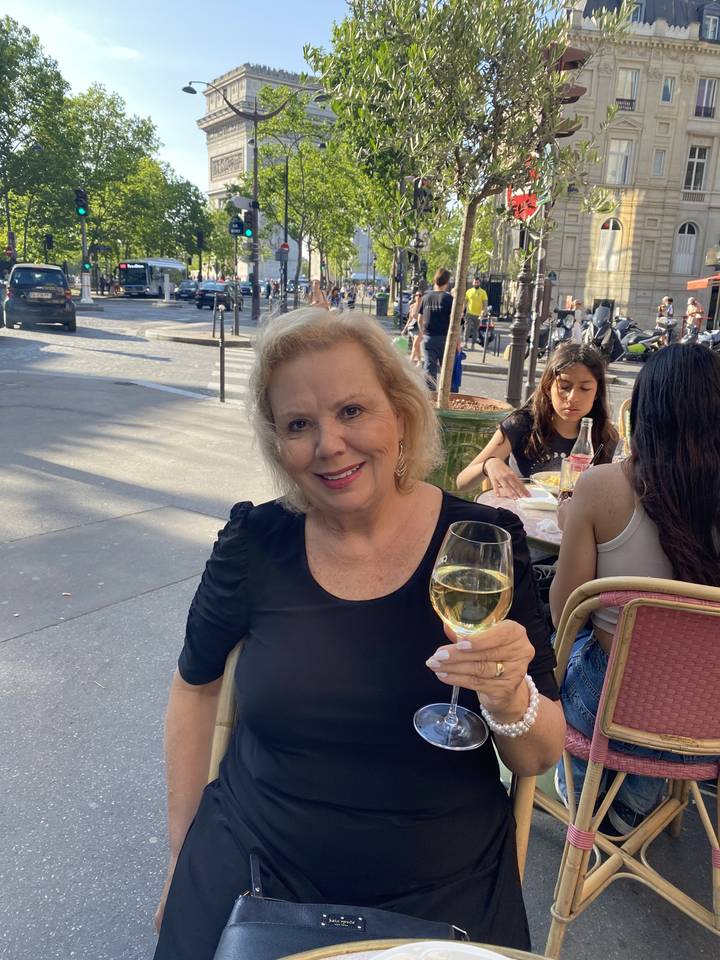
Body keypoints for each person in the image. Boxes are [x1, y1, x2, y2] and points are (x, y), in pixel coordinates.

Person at [153, 308, 565, 959]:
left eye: (352, 411)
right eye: (299, 425)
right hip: (255, 870)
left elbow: (538, 757)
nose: (329, 444)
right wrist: (182, 855)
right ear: (277, 444)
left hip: (440, 890)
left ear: (399, 415)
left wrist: (509, 698)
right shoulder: (255, 543)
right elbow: (194, 688)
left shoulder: (482, 546)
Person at [549, 343, 720, 834]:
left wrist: (575, 518)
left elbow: (566, 612)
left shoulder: (601, 487)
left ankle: (583, 785)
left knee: (575, 640)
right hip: (708, 715)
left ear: (644, 412)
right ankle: (635, 800)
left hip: (610, 702)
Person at [456, 343, 618, 498]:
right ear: (548, 388)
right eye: (564, 386)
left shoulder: (605, 436)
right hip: (521, 518)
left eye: (585, 389)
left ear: (597, 392)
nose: (573, 397)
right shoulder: (521, 424)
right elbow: (462, 482)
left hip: (577, 523)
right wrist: (489, 465)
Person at [418, 267, 455, 387]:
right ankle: (443, 393)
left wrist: (422, 332)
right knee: (446, 369)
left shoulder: (426, 297)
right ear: (447, 282)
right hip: (445, 338)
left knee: (429, 369)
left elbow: (419, 318)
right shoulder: (449, 299)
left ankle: (431, 397)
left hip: (429, 337)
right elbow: (454, 322)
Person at [464, 278, 488, 350]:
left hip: (478, 314)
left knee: (475, 329)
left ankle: (473, 344)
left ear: (479, 283)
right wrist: (462, 311)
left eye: (477, 282)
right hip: (469, 313)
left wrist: (484, 311)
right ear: (472, 283)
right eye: (475, 282)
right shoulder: (469, 291)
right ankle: (465, 343)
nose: (476, 284)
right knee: (467, 328)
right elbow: (465, 302)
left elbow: (485, 303)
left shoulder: (483, 292)